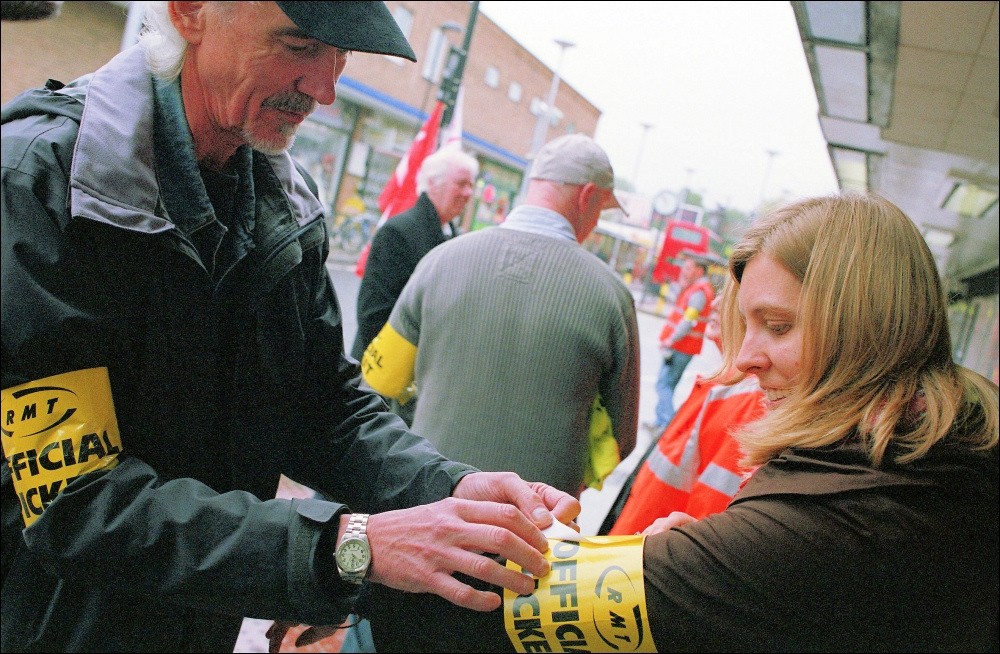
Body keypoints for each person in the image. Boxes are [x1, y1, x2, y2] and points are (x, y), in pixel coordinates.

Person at [0, 3, 581, 652]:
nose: (326, 90)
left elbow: (323, 406)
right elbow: (74, 501)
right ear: (190, 11)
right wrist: (343, 550)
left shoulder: (285, 202)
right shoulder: (40, 182)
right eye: (301, 47)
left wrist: (452, 487)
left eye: (343, 57)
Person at [359, 192, 999, 653]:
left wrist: (347, 580)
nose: (746, 357)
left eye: (778, 326)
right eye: (746, 325)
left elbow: (507, 615)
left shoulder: (830, 521)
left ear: (870, 325)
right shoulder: (944, 457)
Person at [361, 133, 641, 498]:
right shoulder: (612, 296)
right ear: (587, 196)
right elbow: (621, 438)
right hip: (535, 525)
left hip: (429, 508)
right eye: (600, 211)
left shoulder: (439, 262)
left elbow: (380, 381)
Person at [600, 298, 767, 535]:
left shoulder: (746, 398)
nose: (717, 302)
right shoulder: (727, 388)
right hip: (639, 550)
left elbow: (710, 516)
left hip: (645, 559)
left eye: (733, 292)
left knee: (664, 388)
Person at [350, 145, 477, 364]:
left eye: (471, 185)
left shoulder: (455, 238)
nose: (468, 193)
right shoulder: (398, 232)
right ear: (432, 184)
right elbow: (374, 314)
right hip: (383, 374)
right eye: (461, 184)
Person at [644, 251, 715, 433]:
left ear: (700, 271)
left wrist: (670, 340)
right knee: (668, 385)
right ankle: (660, 423)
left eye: (689, 268)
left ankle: (668, 426)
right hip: (682, 346)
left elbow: (688, 320)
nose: (684, 270)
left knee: (663, 385)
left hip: (681, 347)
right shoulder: (695, 289)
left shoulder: (699, 293)